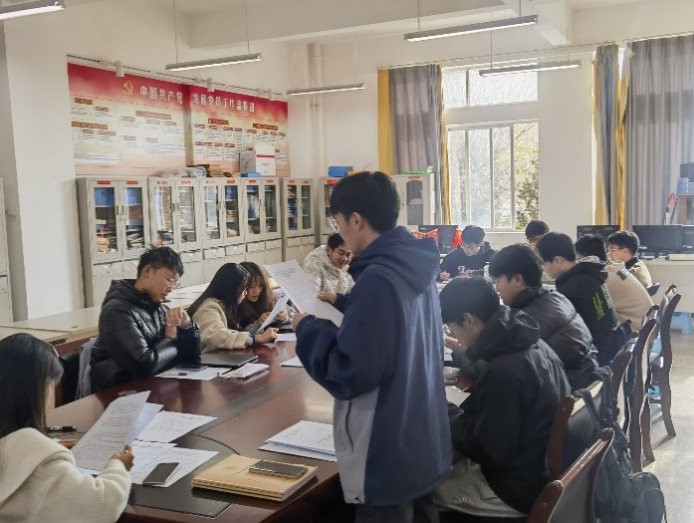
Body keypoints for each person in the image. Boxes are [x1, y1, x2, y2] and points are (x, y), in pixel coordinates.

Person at [291, 171, 451, 523]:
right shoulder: (412, 263)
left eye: (339, 222)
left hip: (386, 446)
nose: (341, 231)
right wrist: (347, 303)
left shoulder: (377, 278)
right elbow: (397, 321)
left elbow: (349, 371)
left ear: (355, 220)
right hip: (420, 439)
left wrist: (308, 328)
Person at [436, 277, 570, 518]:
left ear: (468, 320)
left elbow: (487, 451)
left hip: (515, 490)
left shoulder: (503, 369)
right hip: (539, 467)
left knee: (428, 490)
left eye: (451, 327)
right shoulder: (531, 341)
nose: (453, 334)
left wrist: (444, 409)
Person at [0, 334, 134, 522]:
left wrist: (39, 452)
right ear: (40, 389)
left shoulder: (18, 447)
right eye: (52, 385)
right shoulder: (42, 466)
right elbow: (102, 506)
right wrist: (118, 466)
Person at [488, 244, 600, 390]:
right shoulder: (555, 296)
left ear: (518, 279)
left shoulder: (526, 322)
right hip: (587, 382)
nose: (497, 288)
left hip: (567, 393)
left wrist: (463, 353)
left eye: (498, 280)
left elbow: (496, 368)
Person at [90, 246, 201, 391]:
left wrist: (187, 326)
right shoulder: (116, 312)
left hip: (154, 388)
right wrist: (170, 339)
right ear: (148, 271)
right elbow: (143, 364)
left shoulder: (159, 308)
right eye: (169, 280)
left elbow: (192, 355)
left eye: (175, 284)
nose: (171, 289)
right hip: (119, 394)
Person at [536, 232, 623, 365]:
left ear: (558, 260)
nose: (544, 269)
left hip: (599, 358)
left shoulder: (573, 287)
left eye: (544, 263)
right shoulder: (588, 274)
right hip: (611, 345)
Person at [188, 263, 278, 353]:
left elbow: (235, 332)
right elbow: (217, 336)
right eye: (244, 289)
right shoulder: (208, 308)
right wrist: (255, 339)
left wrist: (256, 329)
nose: (245, 293)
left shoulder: (226, 307)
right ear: (233, 290)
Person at [576, 234, 653, 330]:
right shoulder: (625, 268)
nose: (608, 254)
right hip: (643, 324)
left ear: (624, 251)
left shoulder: (630, 272)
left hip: (636, 330)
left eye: (611, 250)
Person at [239, 261, 289, 334]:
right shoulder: (236, 305)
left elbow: (292, 316)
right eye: (252, 287)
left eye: (260, 286)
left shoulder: (267, 297)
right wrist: (257, 324)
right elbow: (237, 335)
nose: (257, 291)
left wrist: (284, 317)